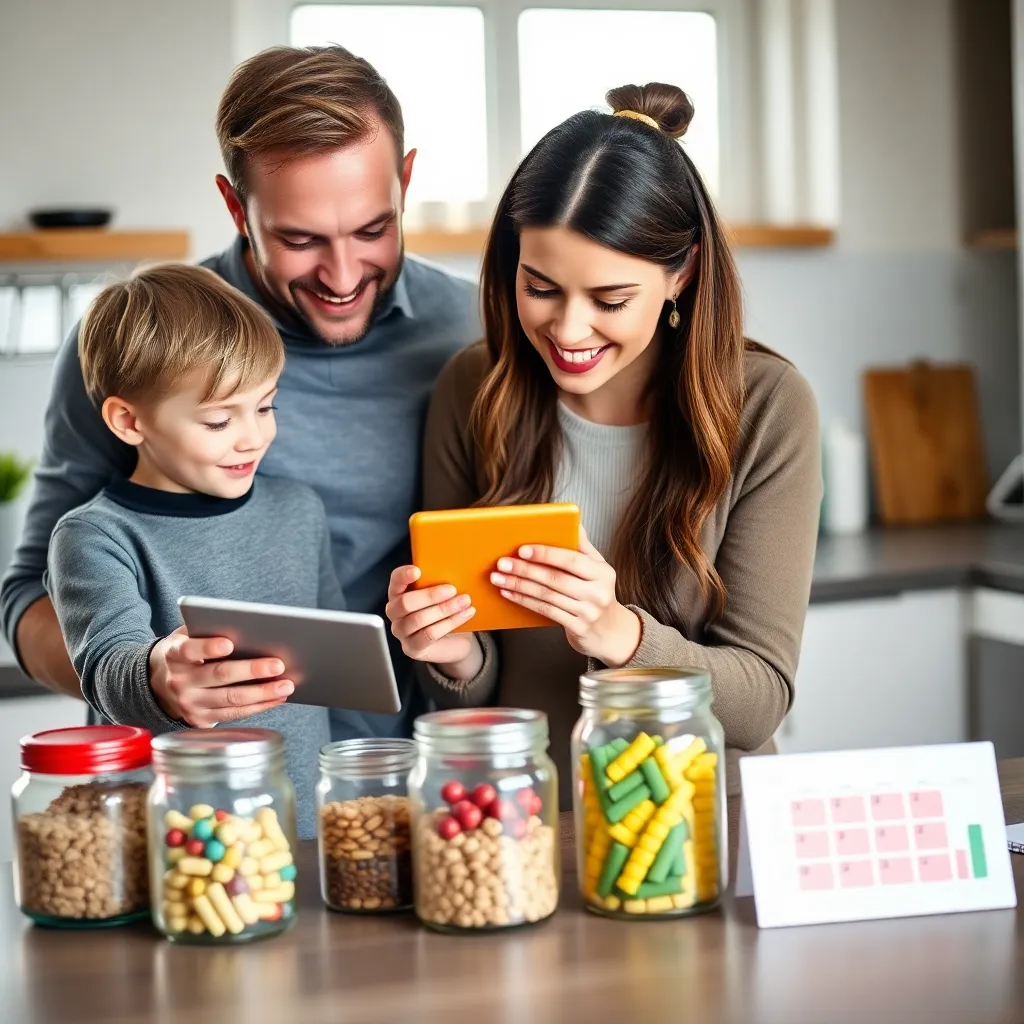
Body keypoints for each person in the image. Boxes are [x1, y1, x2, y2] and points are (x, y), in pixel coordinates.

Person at [0, 45, 479, 745]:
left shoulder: (477, 332)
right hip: (181, 779)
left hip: (391, 766)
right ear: (235, 206)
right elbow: (30, 598)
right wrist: (157, 680)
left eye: (374, 229)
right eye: (299, 239)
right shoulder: (139, 345)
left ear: (405, 182)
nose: (343, 275)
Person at [384, 83, 822, 827]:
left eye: (610, 300)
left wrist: (618, 632)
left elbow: (758, 702)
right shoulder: (473, 389)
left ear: (682, 273)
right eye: (540, 288)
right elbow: (476, 687)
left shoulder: (767, 407)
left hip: (697, 826)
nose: (568, 330)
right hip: (525, 820)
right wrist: (453, 653)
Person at [46, 263, 342, 837]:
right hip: (173, 845)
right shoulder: (94, 536)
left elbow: (340, 667)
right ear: (128, 421)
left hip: (304, 834)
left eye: (265, 406)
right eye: (217, 420)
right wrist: (159, 674)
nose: (254, 437)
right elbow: (107, 669)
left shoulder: (299, 510)